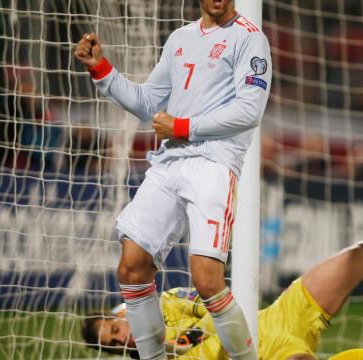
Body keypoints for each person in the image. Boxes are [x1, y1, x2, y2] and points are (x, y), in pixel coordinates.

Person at [74, 0, 271, 359]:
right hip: (169, 161)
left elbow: (249, 110)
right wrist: (102, 69)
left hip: (214, 162)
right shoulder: (180, 38)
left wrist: (182, 126)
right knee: (131, 267)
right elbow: (149, 102)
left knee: (207, 280)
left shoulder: (250, 39)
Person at [81, 242, 363, 360]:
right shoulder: (158, 359)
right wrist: (175, 345)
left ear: (119, 315)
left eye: (116, 330)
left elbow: (207, 303)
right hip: (266, 352)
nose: (124, 339)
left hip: (277, 315)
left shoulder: (164, 304)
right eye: (115, 345)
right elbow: (214, 347)